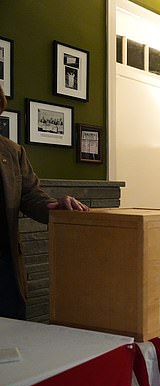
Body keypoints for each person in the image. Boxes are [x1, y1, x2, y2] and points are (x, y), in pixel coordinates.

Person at [0, 84, 89, 320]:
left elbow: (30, 195)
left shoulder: (11, 152)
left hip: (5, 270)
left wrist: (57, 206)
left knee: (13, 340)